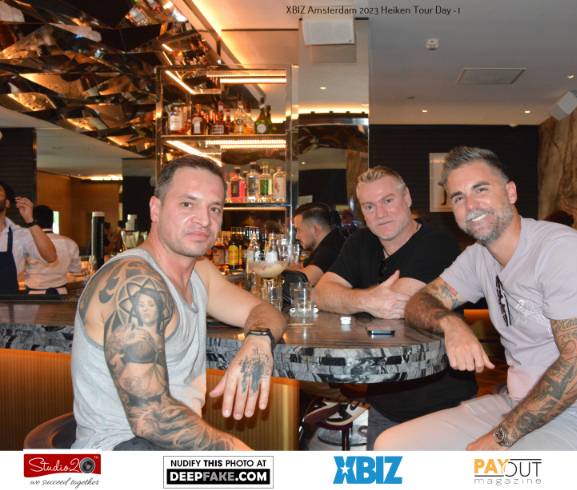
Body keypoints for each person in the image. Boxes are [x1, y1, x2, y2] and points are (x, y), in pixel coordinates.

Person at [375, 146, 577, 450]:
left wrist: (501, 436)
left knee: (485, 469)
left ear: (510, 192)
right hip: (517, 402)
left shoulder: (561, 251)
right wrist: (451, 324)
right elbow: (419, 302)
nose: (470, 205)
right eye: (458, 198)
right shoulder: (479, 257)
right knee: (391, 445)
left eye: (481, 189)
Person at [71, 155, 286, 450]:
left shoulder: (200, 273)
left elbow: (265, 311)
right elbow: (150, 419)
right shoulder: (135, 282)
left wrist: (259, 340)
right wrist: (239, 455)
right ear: (155, 209)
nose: (204, 220)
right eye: (187, 204)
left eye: (214, 208)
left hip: (165, 448)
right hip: (123, 453)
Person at [312, 166, 477, 449]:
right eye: (369, 206)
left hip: (441, 404)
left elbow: (398, 305)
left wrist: (349, 299)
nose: (380, 213)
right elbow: (320, 293)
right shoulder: (361, 241)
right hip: (383, 401)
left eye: (388, 200)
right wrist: (367, 300)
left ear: (407, 198)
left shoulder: (437, 243)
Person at [0, 180, 57, 294]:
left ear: (7, 203)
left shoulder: (20, 234)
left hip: (8, 303)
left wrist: (30, 220)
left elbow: (51, 257)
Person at [23, 205, 81, 295]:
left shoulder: (26, 242)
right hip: (61, 293)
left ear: (33, 221)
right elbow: (75, 270)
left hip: (33, 295)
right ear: (52, 221)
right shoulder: (70, 243)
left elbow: (18, 269)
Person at [290, 202, 345, 286]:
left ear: (316, 230)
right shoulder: (327, 243)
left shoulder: (331, 248)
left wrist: (275, 272)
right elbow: (299, 267)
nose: (297, 236)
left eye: (299, 230)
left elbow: (303, 280)